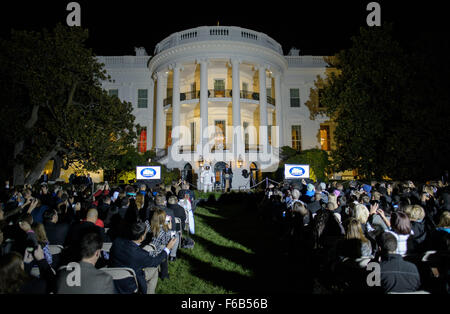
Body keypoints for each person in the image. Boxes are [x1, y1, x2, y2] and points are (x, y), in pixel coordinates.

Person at [109, 221, 177, 294]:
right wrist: (168, 248)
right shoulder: (140, 254)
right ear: (142, 237)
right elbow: (155, 262)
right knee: (155, 269)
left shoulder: (117, 241)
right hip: (130, 283)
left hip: (112, 277)